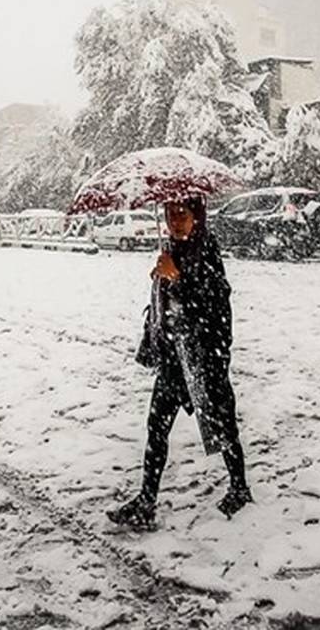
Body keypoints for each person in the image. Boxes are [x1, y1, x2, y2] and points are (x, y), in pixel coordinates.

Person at [107, 197, 251, 530]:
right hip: (174, 361)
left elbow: (212, 312)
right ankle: (147, 500)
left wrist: (177, 279)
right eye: (170, 214)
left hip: (203, 360)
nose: (175, 221)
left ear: (197, 216)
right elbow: (165, 309)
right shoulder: (172, 250)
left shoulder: (208, 254)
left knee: (224, 427)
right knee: (156, 429)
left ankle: (240, 488)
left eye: (182, 214)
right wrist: (162, 277)